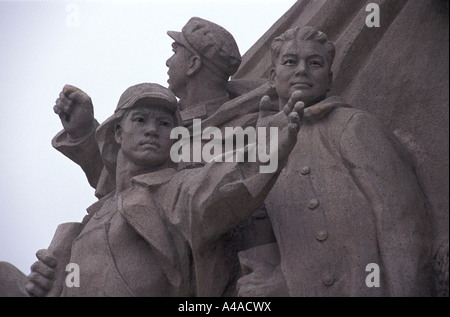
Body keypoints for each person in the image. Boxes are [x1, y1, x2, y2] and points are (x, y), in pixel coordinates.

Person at [26, 82, 304, 296]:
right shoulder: (97, 214)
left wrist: (265, 152)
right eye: (140, 120)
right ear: (118, 133)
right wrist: (48, 283)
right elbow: (109, 171)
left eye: (164, 124)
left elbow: (219, 186)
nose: (151, 130)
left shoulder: (175, 190)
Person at [236, 26, 435, 297]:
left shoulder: (352, 126)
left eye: (314, 63)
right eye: (290, 62)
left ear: (329, 79)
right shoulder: (258, 146)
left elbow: (403, 229)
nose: (302, 70)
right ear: (272, 77)